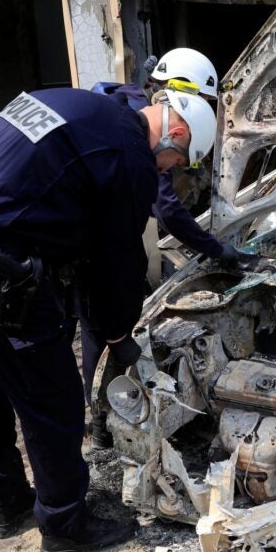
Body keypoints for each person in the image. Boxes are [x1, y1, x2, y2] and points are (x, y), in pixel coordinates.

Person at [0, 86, 216, 552]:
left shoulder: (81, 103)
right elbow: (118, 262)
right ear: (174, 134)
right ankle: (65, 525)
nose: (171, 172)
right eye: (177, 162)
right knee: (52, 398)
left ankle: (8, 505)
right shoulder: (131, 157)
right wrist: (117, 334)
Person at [85, 48, 257, 447]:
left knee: (101, 311)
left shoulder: (127, 102)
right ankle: (101, 420)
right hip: (84, 240)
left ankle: (97, 415)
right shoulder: (143, 130)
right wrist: (217, 251)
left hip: (82, 232)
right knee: (103, 318)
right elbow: (168, 211)